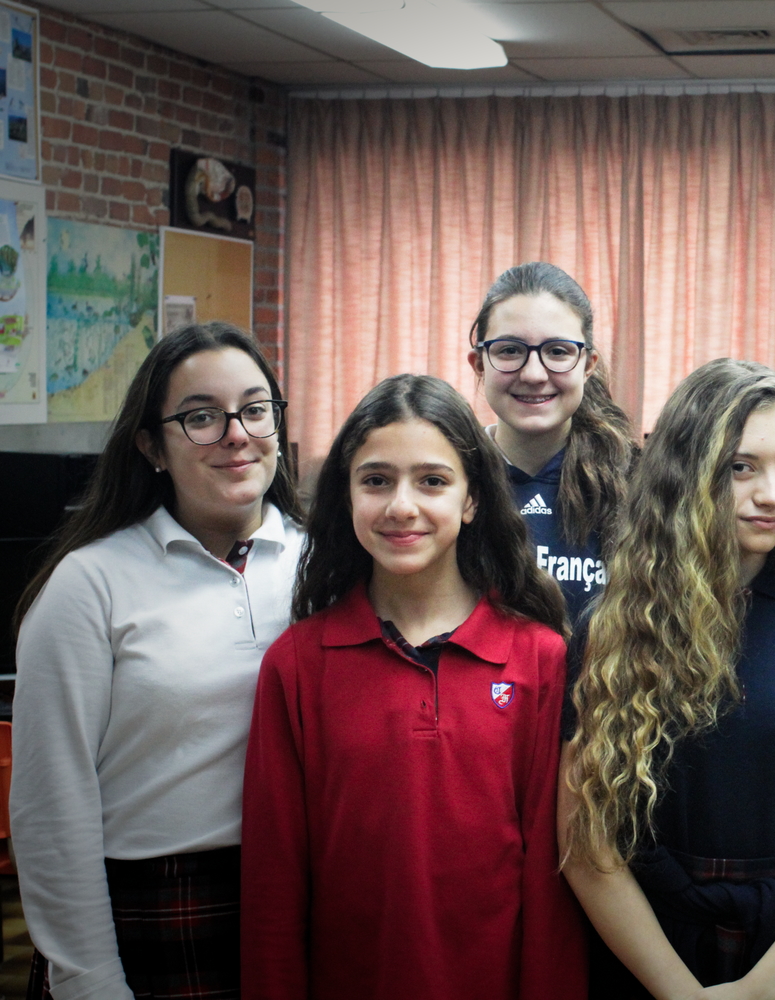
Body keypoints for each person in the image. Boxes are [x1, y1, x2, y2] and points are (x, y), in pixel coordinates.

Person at [240, 374, 585, 1000]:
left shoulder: (538, 658)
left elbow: (549, 882)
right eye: (376, 480)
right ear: (346, 495)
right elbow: (274, 884)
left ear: (472, 498)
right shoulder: (297, 666)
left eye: (432, 480)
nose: (402, 506)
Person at [560, 358, 775, 999]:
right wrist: (678, 991)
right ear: (688, 473)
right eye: (742, 468)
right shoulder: (615, 624)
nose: (772, 494)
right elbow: (586, 841)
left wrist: (763, 988)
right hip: (651, 951)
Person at [11, 322, 304, 1000]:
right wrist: (86, 977)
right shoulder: (89, 584)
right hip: (147, 912)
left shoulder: (327, 567)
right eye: (201, 417)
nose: (236, 434)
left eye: (255, 409)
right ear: (151, 446)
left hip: (294, 896)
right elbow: (51, 806)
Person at [468, 262, 636, 624]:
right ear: (479, 364)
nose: (533, 373)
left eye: (558, 351)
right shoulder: (449, 481)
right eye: (510, 350)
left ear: (587, 364)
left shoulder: (638, 484)